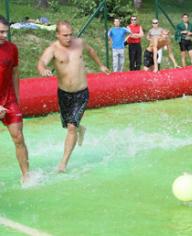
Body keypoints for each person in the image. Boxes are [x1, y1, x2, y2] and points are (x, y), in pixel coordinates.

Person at [37, 20, 110, 172]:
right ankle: (80, 128)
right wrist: (43, 69)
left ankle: (63, 163)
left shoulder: (79, 43)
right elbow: (41, 62)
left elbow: (91, 51)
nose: (69, 38)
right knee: (69, 125)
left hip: (81, 93)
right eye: (65, 35)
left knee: (71, 127)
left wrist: (100, 65)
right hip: (63, 94)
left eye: (70, 34)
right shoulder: (53, 49)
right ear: (57, 35)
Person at [0, 15, 30, 183]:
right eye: (1, 32)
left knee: (18, 137)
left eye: (6, 32)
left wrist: (17, 99)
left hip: (9, 100)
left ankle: (27, 176)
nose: (4, 35)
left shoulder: (12, 48)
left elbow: (15, 73)